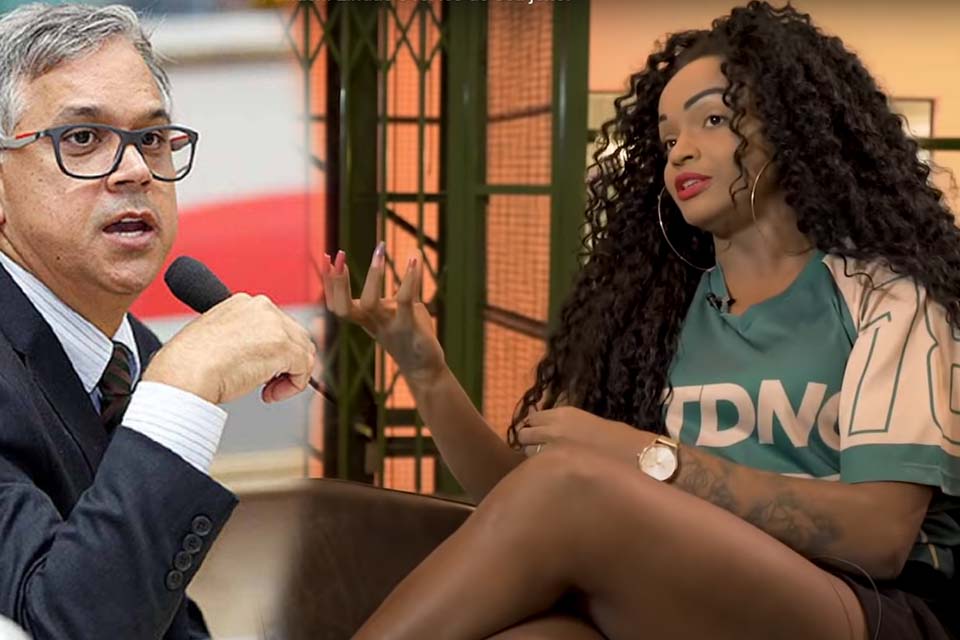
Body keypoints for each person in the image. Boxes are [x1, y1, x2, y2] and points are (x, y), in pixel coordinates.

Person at [319, 2, 960, 639]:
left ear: (791, 127)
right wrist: (426, 372)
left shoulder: (888, 294)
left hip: (867, 607)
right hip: (689, 596)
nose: (681, 152)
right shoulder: (648, 320)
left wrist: (645, 457)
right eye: (667, 139)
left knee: (570, 485)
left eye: (713, 119)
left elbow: (880, 535)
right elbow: (523, 502)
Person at [0, 4, 316, 638]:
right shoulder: (167, 372)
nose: (137, 170)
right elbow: (76, 624)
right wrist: (184, 384)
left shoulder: (132, 352)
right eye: (82, 138)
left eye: (151, 139)